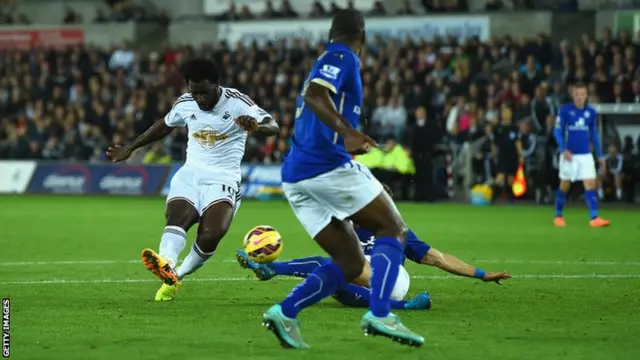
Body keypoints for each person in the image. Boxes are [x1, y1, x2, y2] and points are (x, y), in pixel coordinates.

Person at [262, 9, 424, 349]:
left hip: (295, 175)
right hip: (325, 166)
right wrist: (348, 132)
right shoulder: (342, 56)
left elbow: (315, 98)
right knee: (393, 229)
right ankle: (380, 314)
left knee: (350, 262)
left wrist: (350, 133)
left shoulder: (325, 57)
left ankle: (285, 311)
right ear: (362, 36)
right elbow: (315, 95)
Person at [106, 58, 279, 300]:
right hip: (190, 174)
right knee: (178, 217)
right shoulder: (186, 103)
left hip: (223, 178)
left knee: (211, 234)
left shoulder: (238, 102)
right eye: (194, 92)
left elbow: (273, 125)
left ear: (217, 84)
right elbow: (165, 125)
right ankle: (165, 262)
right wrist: (131, 148)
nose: (200, 99)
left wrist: (257, 127)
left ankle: (176, 275)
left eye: (205, 92)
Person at [236, 185, 510, 309]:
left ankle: (271, 269)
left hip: (391, 280)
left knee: (327, 267)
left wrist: (482, 274)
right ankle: (403, 307)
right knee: (333, 284)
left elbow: (439, 258)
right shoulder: (350, 225)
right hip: (360, 279)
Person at [553, 83, 610, 227]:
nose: (580, 97)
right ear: (573, 95)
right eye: (577, 94)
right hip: (569, 155)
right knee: (564, 185)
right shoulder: (565, 111)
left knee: (590, 183)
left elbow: (594, 134)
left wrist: (599, 154)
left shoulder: (591, 112)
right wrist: (563, 149)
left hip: (585, 155)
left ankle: (594, 218)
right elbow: (557, 131)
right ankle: (558, 216)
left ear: (586, 95)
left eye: (582, 94)